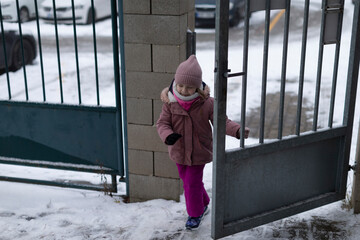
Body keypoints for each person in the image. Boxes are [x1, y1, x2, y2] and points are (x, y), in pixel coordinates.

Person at [156, 55, 250, 230]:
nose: (184, 90)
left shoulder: (207, 103)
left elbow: (221, 121)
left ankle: (195, 213)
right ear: (175, 83)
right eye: (180, 85)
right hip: (178, 150)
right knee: (188, 180)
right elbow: (162, 123)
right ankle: (204, 202)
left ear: (198, 86)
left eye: (189, 87)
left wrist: (236, 130)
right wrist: (167, 135)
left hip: (199, 150)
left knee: (191, 183)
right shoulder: (169, 102)